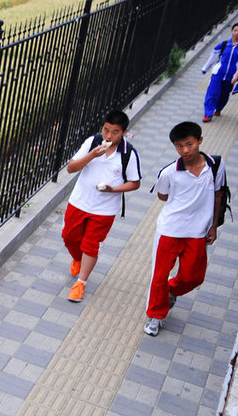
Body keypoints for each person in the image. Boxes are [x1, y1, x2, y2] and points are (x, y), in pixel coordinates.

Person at [144, 121, 226, 336]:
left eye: (189, 144)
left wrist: (213, 227)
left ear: (200, 140)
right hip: (170, 230)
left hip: (198, 232)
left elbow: (218, 195)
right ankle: (155, 315)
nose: (185, 150)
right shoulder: (169, 172)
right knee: (159, 277)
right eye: (179, 146)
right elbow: (162, 196)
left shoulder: (216, 165)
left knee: (194, 277)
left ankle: (170, 292)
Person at [61, 110, 142, 303]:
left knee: (91, 245)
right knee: (69, 237)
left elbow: (135, 182)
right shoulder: (92, 142)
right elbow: (71, 168)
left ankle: (81, 283)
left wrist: (114, 189)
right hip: (79, 201)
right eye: (106, 130)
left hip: (104, 210)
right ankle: (77, 259)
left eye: (114, 132)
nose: (108, 136)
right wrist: (91, 156)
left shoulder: (128, 153)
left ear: (124, 132)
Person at [200, 22, 238, 123]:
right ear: (232, 31)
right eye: (235, 30)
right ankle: (208, 114)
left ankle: (219, 108)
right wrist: (205, 68)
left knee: (224, 94)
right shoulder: (224, 45)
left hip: (231, 76)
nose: (237, 33)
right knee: (212, 93)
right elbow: (213, 57)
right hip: (218, 74)